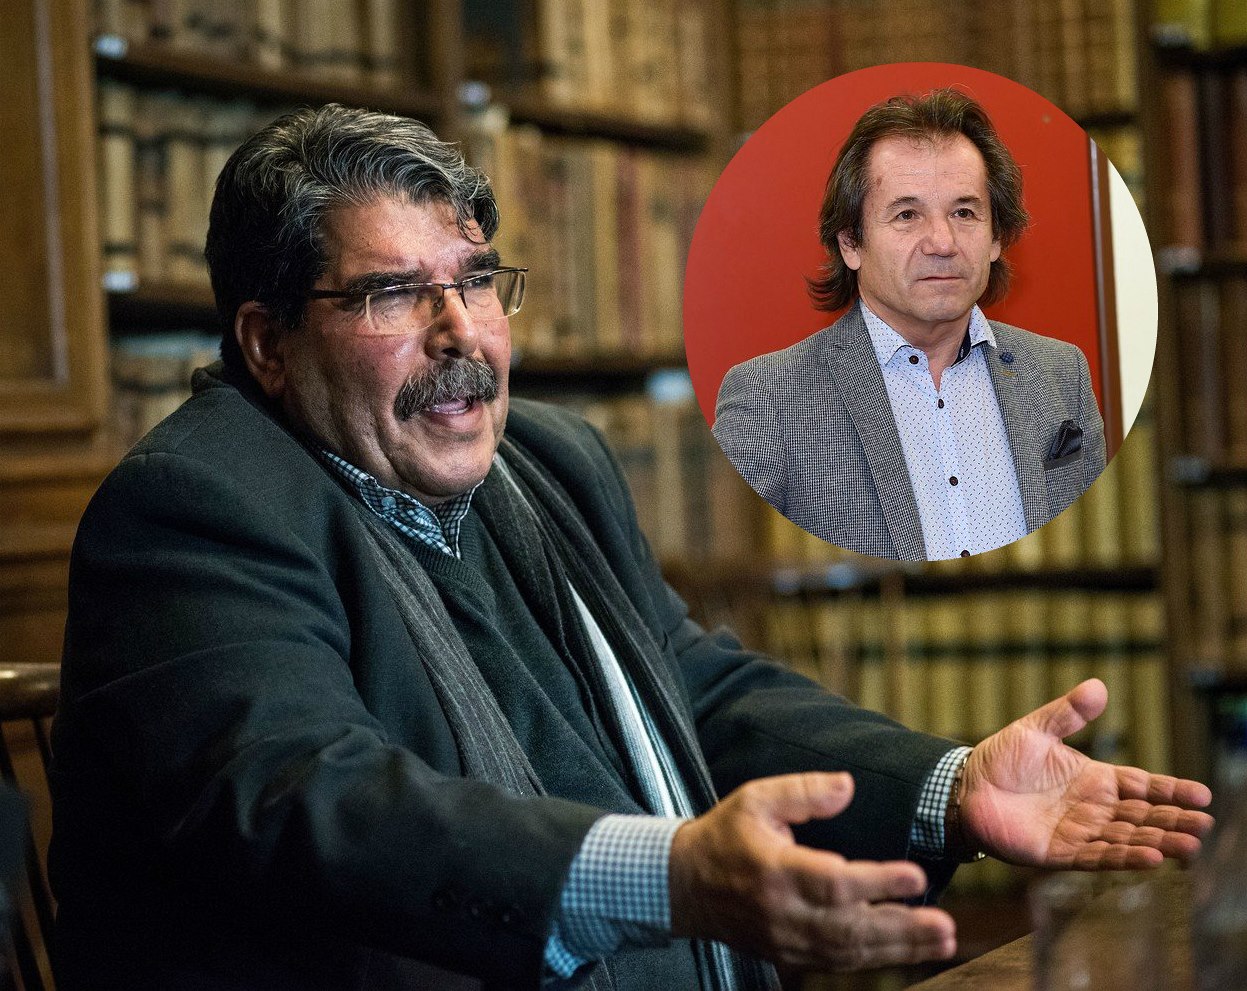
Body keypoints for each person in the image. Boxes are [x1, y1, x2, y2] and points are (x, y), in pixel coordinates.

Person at [51, 104, 1208, 991]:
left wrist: (948, 789)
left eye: (474, 282)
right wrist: (669, 875)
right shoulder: (193, 507)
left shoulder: (548, 461)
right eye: (394, 295)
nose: (462, 336)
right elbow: (315, 802)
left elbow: (691, 692)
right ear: (266, 342)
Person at [713, 89, 1106, 562]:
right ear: (851, 244)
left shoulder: (1061, 374)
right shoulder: (769, 400)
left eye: (964, 213)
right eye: (907, 215)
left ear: (996, 238)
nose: (942, 242)